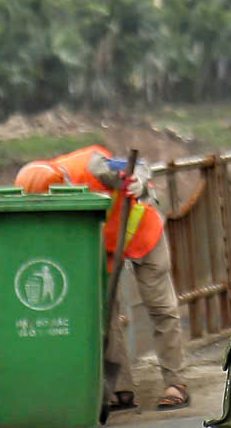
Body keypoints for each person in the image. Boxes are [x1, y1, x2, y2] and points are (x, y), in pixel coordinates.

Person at [15, 146, 185, 411]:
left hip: (142, 233)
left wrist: (138, 183)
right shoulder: (42, 185)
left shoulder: (92, 167)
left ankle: (175, 384)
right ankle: (120, 389)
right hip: (104, 247)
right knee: (108, 313)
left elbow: (137, 165)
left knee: (161, 308)